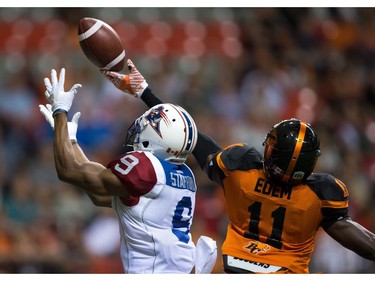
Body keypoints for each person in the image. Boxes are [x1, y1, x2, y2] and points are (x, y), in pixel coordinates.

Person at [101, 59, 375, 273]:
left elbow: (194, 140)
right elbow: (360, 240)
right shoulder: (319, 195)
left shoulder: (241, 170)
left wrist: (146, 93)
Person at [38, 68, 217, 274]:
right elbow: (99, 193)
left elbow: (68, 171)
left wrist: (60, 111)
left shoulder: (146, 168)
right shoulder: (183, 174)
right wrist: (70, 140)